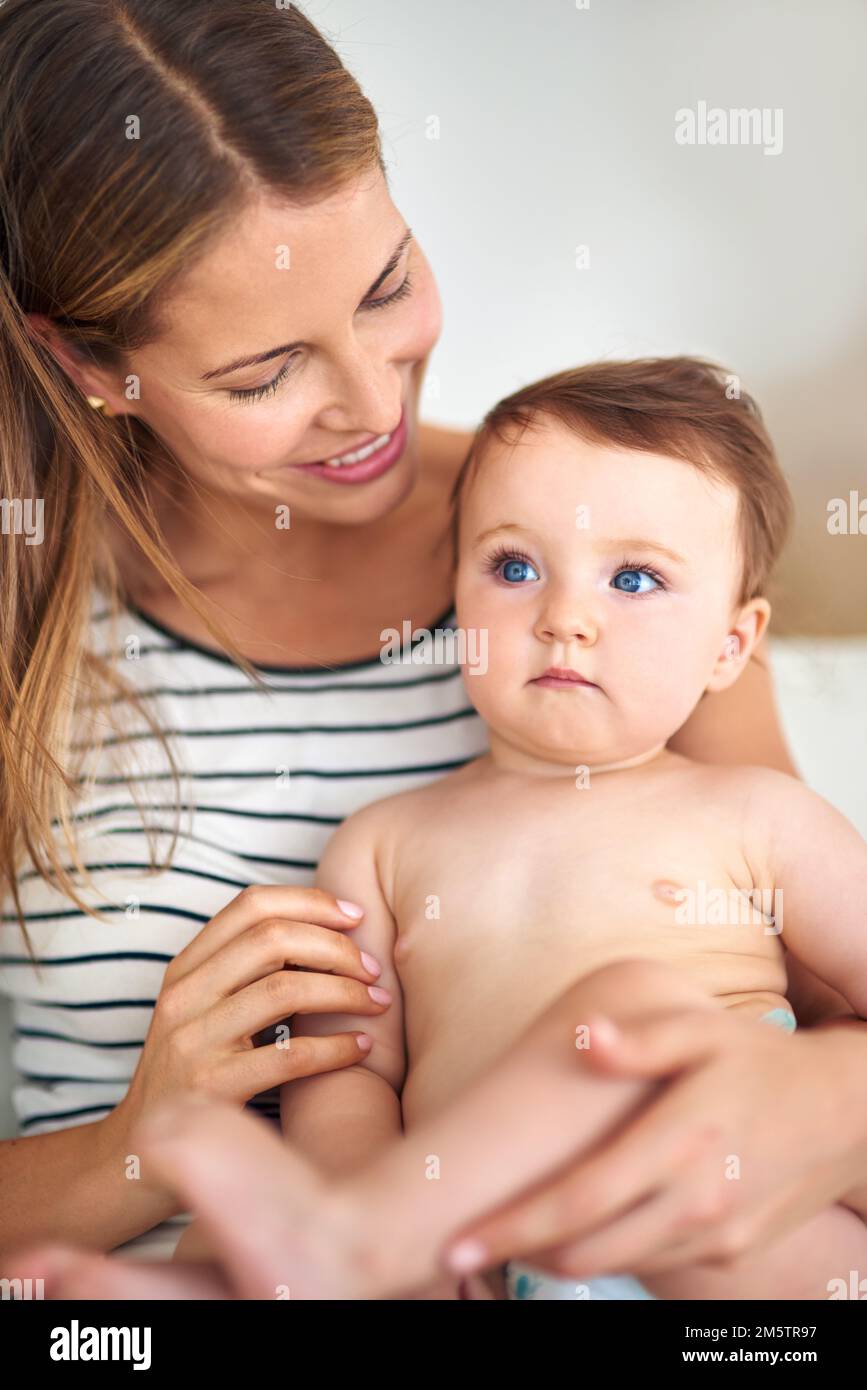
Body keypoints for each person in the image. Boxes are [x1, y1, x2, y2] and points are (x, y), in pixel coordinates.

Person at [2, 0, 867, 1292]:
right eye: (264, 373)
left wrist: (798, 1105)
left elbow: (828, 1018)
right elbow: (357, 1088)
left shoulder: (613, 518)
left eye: (388, 284)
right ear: (91, 365)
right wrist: (146, 1147)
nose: (370, 402)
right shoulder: (35, 617)